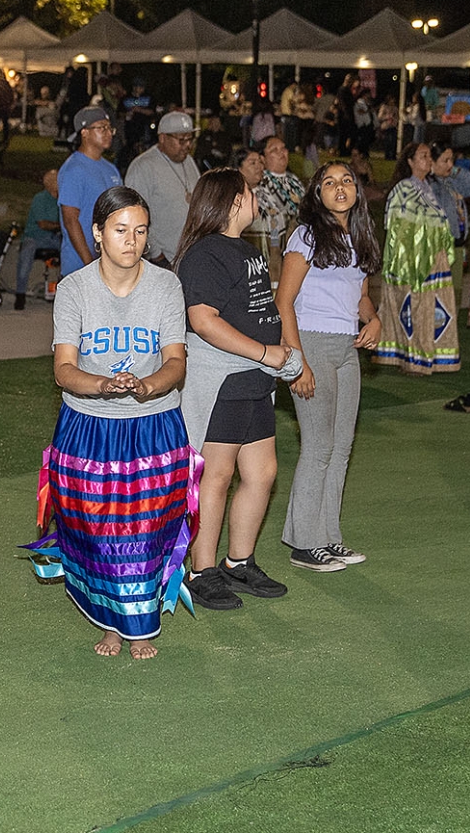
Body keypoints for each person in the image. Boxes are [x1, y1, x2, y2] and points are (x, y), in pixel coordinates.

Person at [24, 185, 193, 658]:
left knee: (145, 529)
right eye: (121, 230)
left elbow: (176, 362)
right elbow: (63, 369)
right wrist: (101, 385)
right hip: (88, 426)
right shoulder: (75, 288)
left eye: (140, 231)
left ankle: (137, 621)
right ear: (98, 233)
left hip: (153, 424)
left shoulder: (166, 285)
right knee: (95, 531)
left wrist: (149, 386)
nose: (132, 241)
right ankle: (111, 620)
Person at [175, 169, 301, 610]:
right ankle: (201, 571)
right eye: (250, 194)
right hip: (223, 381)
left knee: (262, 473)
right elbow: (203, 320)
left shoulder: (249, 250)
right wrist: (265, 352)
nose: (256, 201)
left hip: (254, 381)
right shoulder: (205, 254)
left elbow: (260, 309)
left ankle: (238, 562)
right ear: (232, 202)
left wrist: (279, 352)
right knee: (217, 475)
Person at [273, 162, 382, 571]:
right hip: (312, 343)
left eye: (347, 181)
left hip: (345, 349)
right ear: (317, 193)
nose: (340, 188)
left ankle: (328, 538)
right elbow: (284, 301)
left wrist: (373, 319)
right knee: (318, 448)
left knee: (340, 449)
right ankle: (305, 543)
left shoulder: (359, 236)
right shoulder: (306, 235)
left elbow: (361, 296)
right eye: (329, 182)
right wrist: (297, 362)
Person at [374, 142, 460, 374]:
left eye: (429, 156)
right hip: (411, 259)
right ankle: (412, 358)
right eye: (422, 156)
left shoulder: (430, 188)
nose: (428, 160)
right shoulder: (402, 189)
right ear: (410, 161)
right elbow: (396, 224)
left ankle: (431, 354)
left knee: (434, 306)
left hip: (434, 257)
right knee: (413, 306)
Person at [121, 110, 201, 263]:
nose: (188, 145)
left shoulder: (189, 161)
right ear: (163, 138)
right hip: (161, 260)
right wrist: (157, 255)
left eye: (190, 139)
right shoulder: (143, 167)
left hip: (190, 257)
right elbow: (134, 216)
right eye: (182, 140)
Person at [57, 107, 123, 276]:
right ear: (84, 132)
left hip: (110, 265)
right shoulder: (74, 169)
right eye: (102, 128)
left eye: (110, 128)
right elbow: (71, 220)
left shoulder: (111, 170)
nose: (109, 133)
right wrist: (90, 265)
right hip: (80, 268)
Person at [14, 168, 63, 309]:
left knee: (71, 252)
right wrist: (61, 225)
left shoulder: (63, 199)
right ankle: (20, 294)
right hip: (35, 236)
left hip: (55, 237)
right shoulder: (40, 199)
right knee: (26, 255)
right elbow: (43, 224)